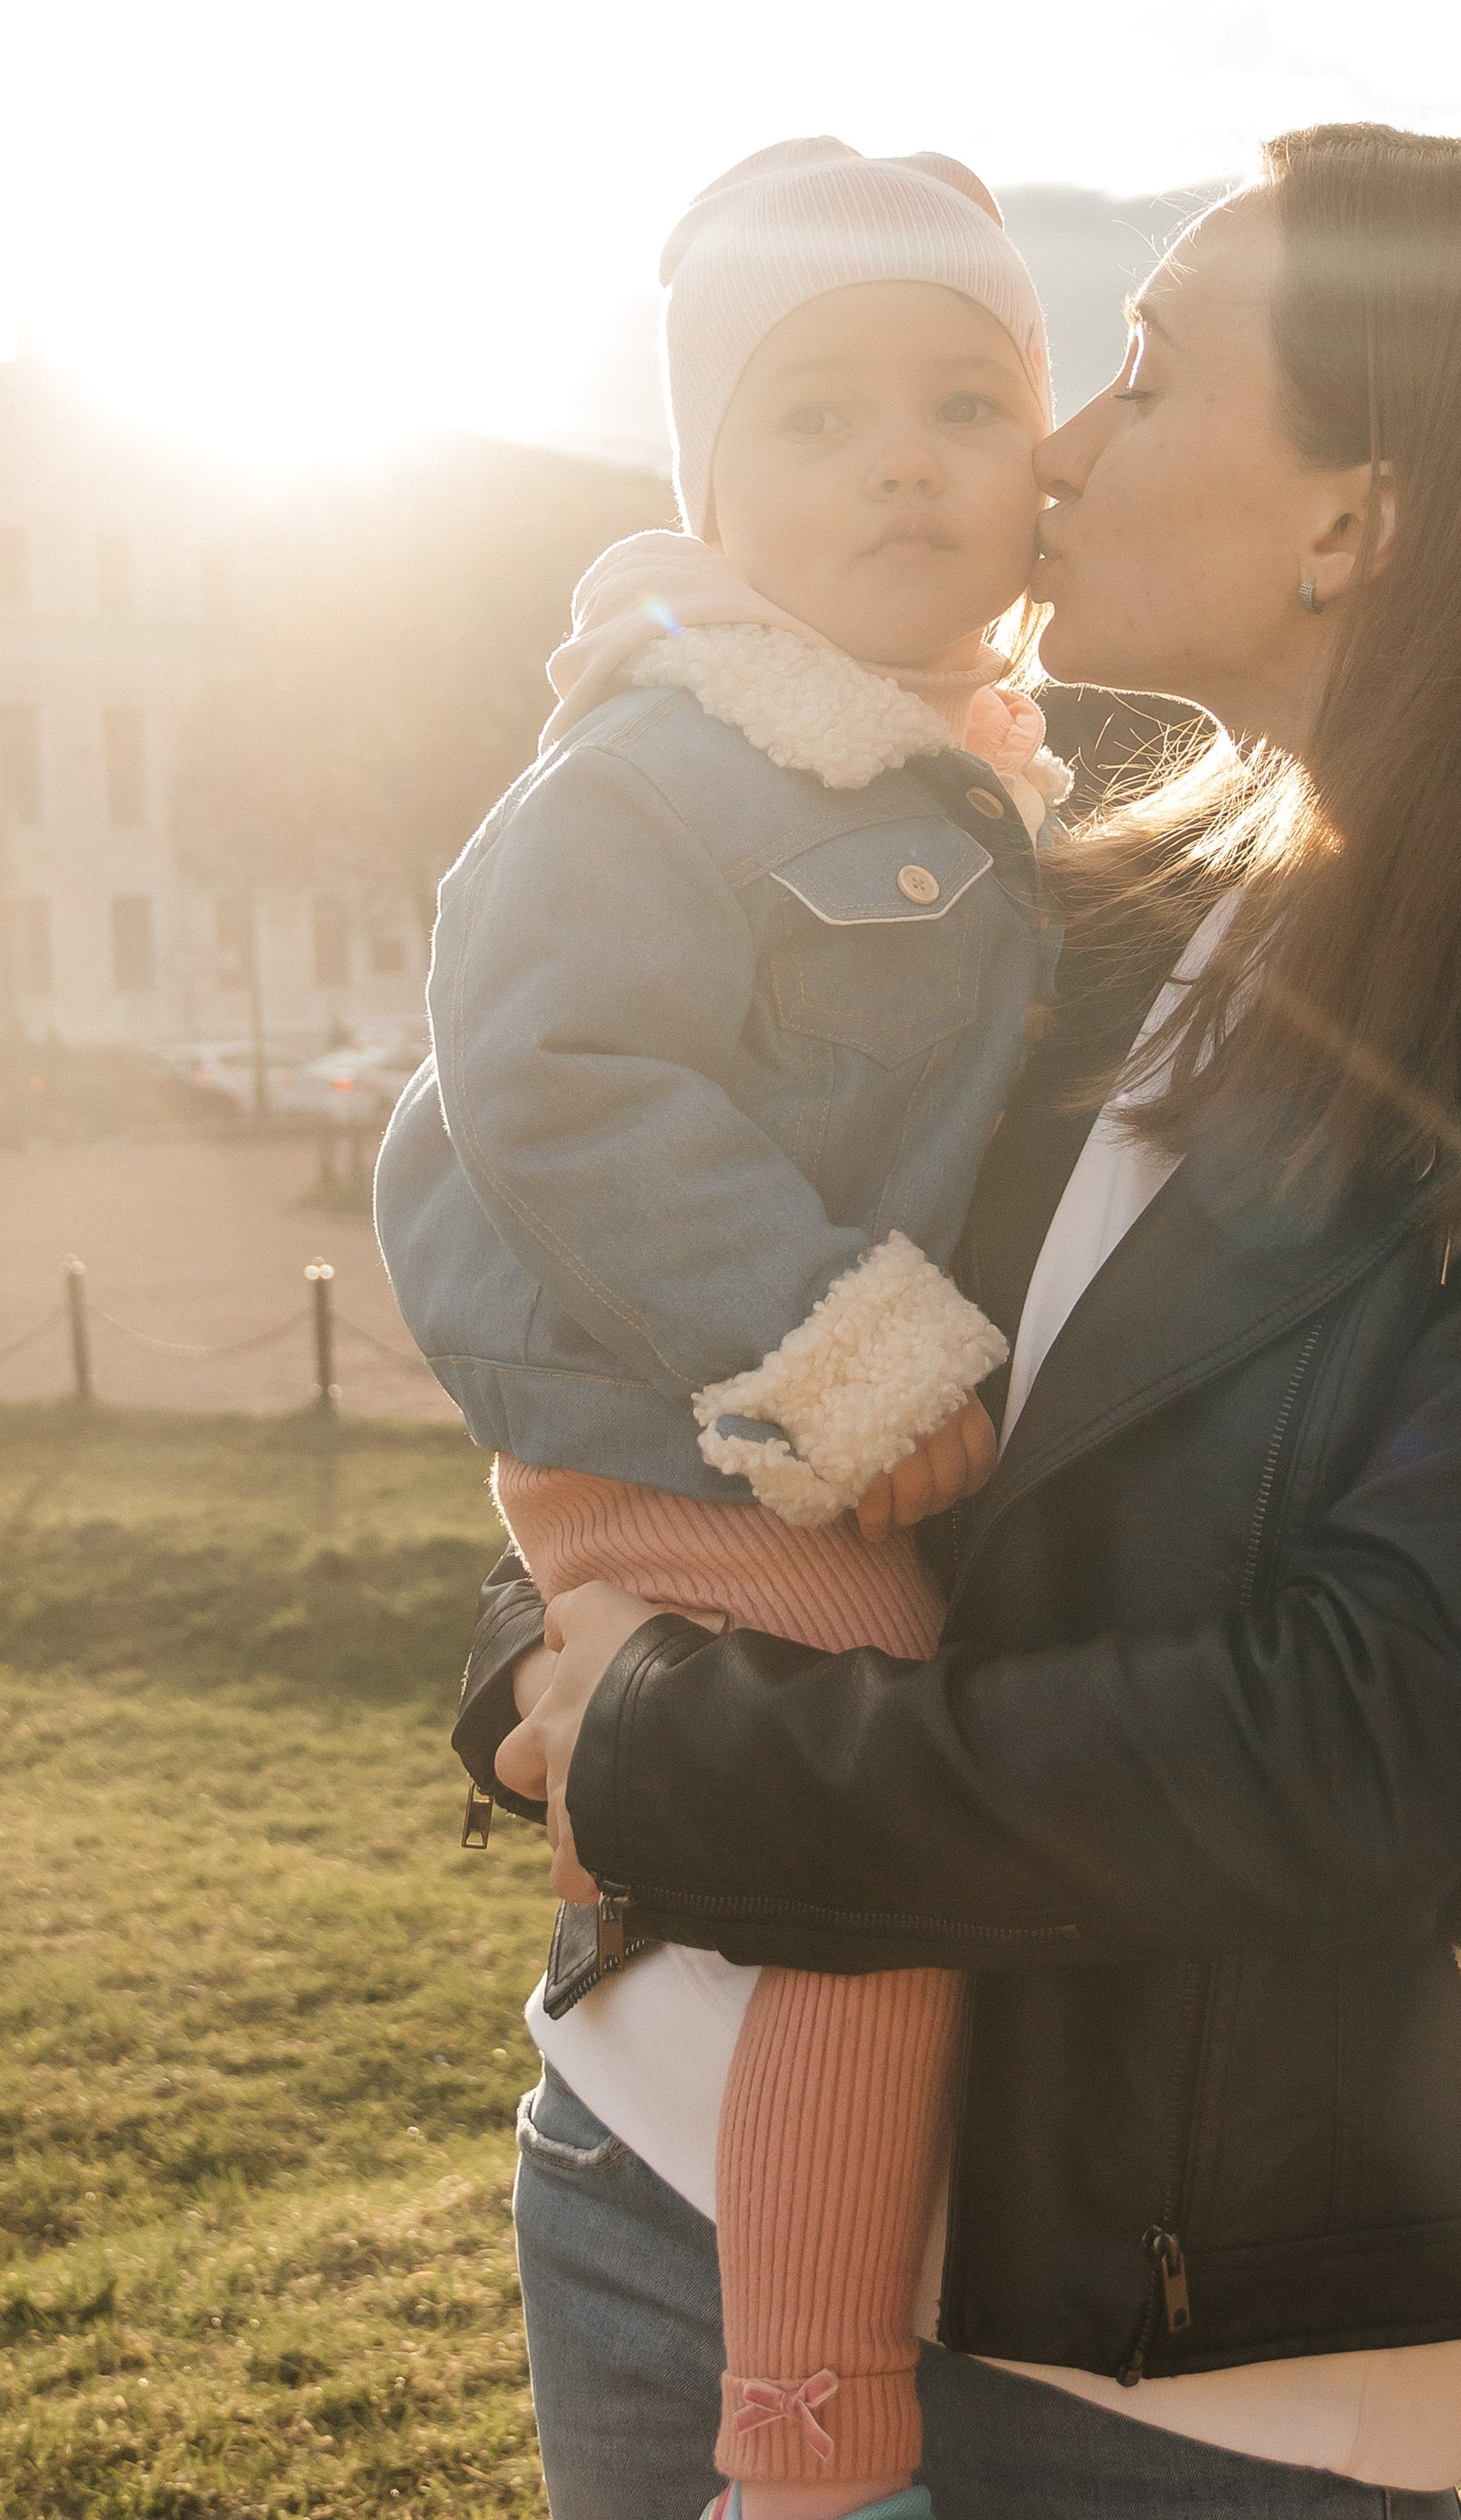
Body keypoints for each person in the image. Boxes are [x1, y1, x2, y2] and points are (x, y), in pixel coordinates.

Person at [469, 121, 1461, 2520]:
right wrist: (537, 1654)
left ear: (1356, 518)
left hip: (1178, 2373)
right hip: (674, 2182)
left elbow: (1360, 1740)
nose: (1048, 449)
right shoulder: (1086, 894)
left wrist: (656, 1751)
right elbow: (691, 1299)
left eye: (1142, 381)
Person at [377, 139, 1072, 2520]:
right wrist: (842, 1355)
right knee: (860, 1811)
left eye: (966, 403)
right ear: (706, 482)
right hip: (680, 1432)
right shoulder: (670, 754)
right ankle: (806, 2432)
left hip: (712, 1432)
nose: (901, 456)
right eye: (813, 414)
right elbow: (546, 1068)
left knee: (849, 1798)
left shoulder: (965, 770)